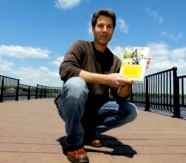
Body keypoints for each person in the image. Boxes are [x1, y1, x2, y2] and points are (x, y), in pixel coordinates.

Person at [55, 9, 150, 163]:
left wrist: (132, 76)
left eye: (109, 26)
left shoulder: (116, 61)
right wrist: (106, 79)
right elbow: (66, 69)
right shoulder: (81, 46)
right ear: (93, 28)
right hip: (71, 105)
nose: (104, 30)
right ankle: (73, 144)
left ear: (113, 30)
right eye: (100, 26)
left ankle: (88, 133)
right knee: (76, 84)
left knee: (130, 111)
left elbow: (121, 96)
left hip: (96, 109)